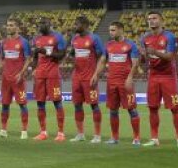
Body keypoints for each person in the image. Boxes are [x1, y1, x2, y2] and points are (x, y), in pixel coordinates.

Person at [141, 11, 178, 148]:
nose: (151, 21)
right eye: (149, 19)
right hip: (153, 76)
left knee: (175, 108)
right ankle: (154, 139)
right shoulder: (145, 38)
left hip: (168, 77)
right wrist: (143, 55)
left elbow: (170, 57)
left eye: (154, 18)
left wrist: (155, 52)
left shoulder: (169, 37)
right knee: (153, 108)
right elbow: (145, 60)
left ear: (161, 21)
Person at [100, 21, 142, 145]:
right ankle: (114, 137)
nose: (110, 33)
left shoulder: (130, 45)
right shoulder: (108, 45)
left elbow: (135, 64)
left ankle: (136, 137)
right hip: (111, 82)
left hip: (125, 83)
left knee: (132, 110)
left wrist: (129, 78)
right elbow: (102, 61)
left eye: (113, 30)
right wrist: (96, 74)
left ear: (120, 30)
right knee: (113, 110)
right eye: (110, 30)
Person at [68, 15, 105, 143]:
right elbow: (74, 53)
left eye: (77, 24)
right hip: (76, 77)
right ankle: (80, 134)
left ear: (85, 25)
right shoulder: (75, 38)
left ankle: (97, 135)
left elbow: (102, 57)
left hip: (89, 77)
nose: (75, 26)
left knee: (94, 105)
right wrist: (72, 54)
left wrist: (96, 74)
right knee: (77, 105)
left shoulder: (95, 38)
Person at [31, 18, 68, 142]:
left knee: (57, 102)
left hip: (53, 74)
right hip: (40, 74)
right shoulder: (37, 39)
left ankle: (61, 133)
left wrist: (45, 51)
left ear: (49, 24)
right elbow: (36, 55)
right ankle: (43, 132)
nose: (40, 26)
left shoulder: (58, 37)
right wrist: (34, 68)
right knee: (40, 103)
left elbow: (62, 55)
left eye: (43, 24)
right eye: (39, 24)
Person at [0, 19, 31, 139]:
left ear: (17, 28)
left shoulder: (24, 42)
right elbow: (2, 58)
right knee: (5, 105)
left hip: (18, 79)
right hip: (6, 79)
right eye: (8, 26)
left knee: (22, 104)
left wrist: (21, 73)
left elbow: (28, 59)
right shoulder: (4, 42)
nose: (8, 28)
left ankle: (24, 131)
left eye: (11, 26)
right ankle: (3, 130)